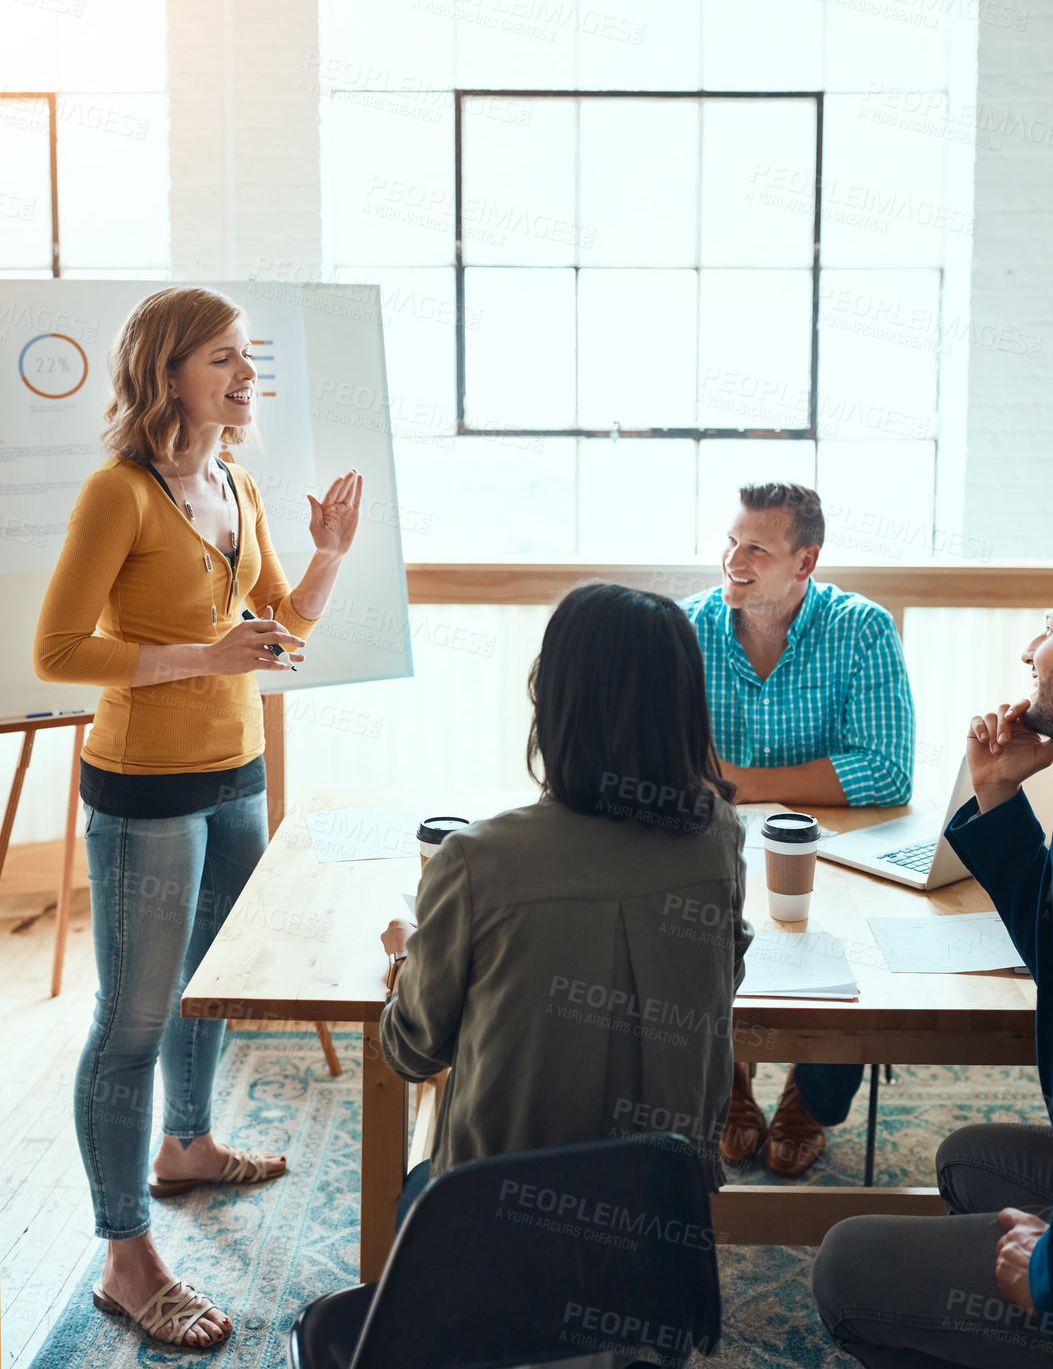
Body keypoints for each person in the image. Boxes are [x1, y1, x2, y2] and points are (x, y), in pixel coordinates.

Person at [33, 286, 362, 1352]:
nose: (244, 373)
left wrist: (327, 553)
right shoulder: (117, 495)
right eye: (221, 357)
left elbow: (277, 624)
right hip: (145, 784)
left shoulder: (233, 478)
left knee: (208, 983)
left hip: (236, 767)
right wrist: (203, 656)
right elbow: (57, 652)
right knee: (131, 1019)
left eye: (245, 357)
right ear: (168, 369)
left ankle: (187, 1146)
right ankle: (126, 1258)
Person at [813, 554, 1053, 1369]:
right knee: (966, 1159)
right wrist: (999, 797)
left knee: (844, 1265)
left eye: (1050, 630)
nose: (1029, 651)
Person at [378, 581, 755, 1223]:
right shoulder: (717, 837)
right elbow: (721, 977)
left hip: (501, 1225)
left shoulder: (475, 860)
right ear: (685, 708)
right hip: (663, 1217)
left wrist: (409, 963)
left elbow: (411, 1050)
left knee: (418, 1183)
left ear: (553, 703)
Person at [682, 482, 914, 1177]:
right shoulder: (683, 627)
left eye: (755, 547)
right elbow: (661, 755)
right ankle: (725, 1083)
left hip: (831, 848)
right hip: (706, 841)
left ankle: (810, 1096)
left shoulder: (862, 628)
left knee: (851, 945)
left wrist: (741, 781)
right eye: (729, 541)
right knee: (683, 928)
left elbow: (886, 771)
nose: (733, 559)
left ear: (805, 561)